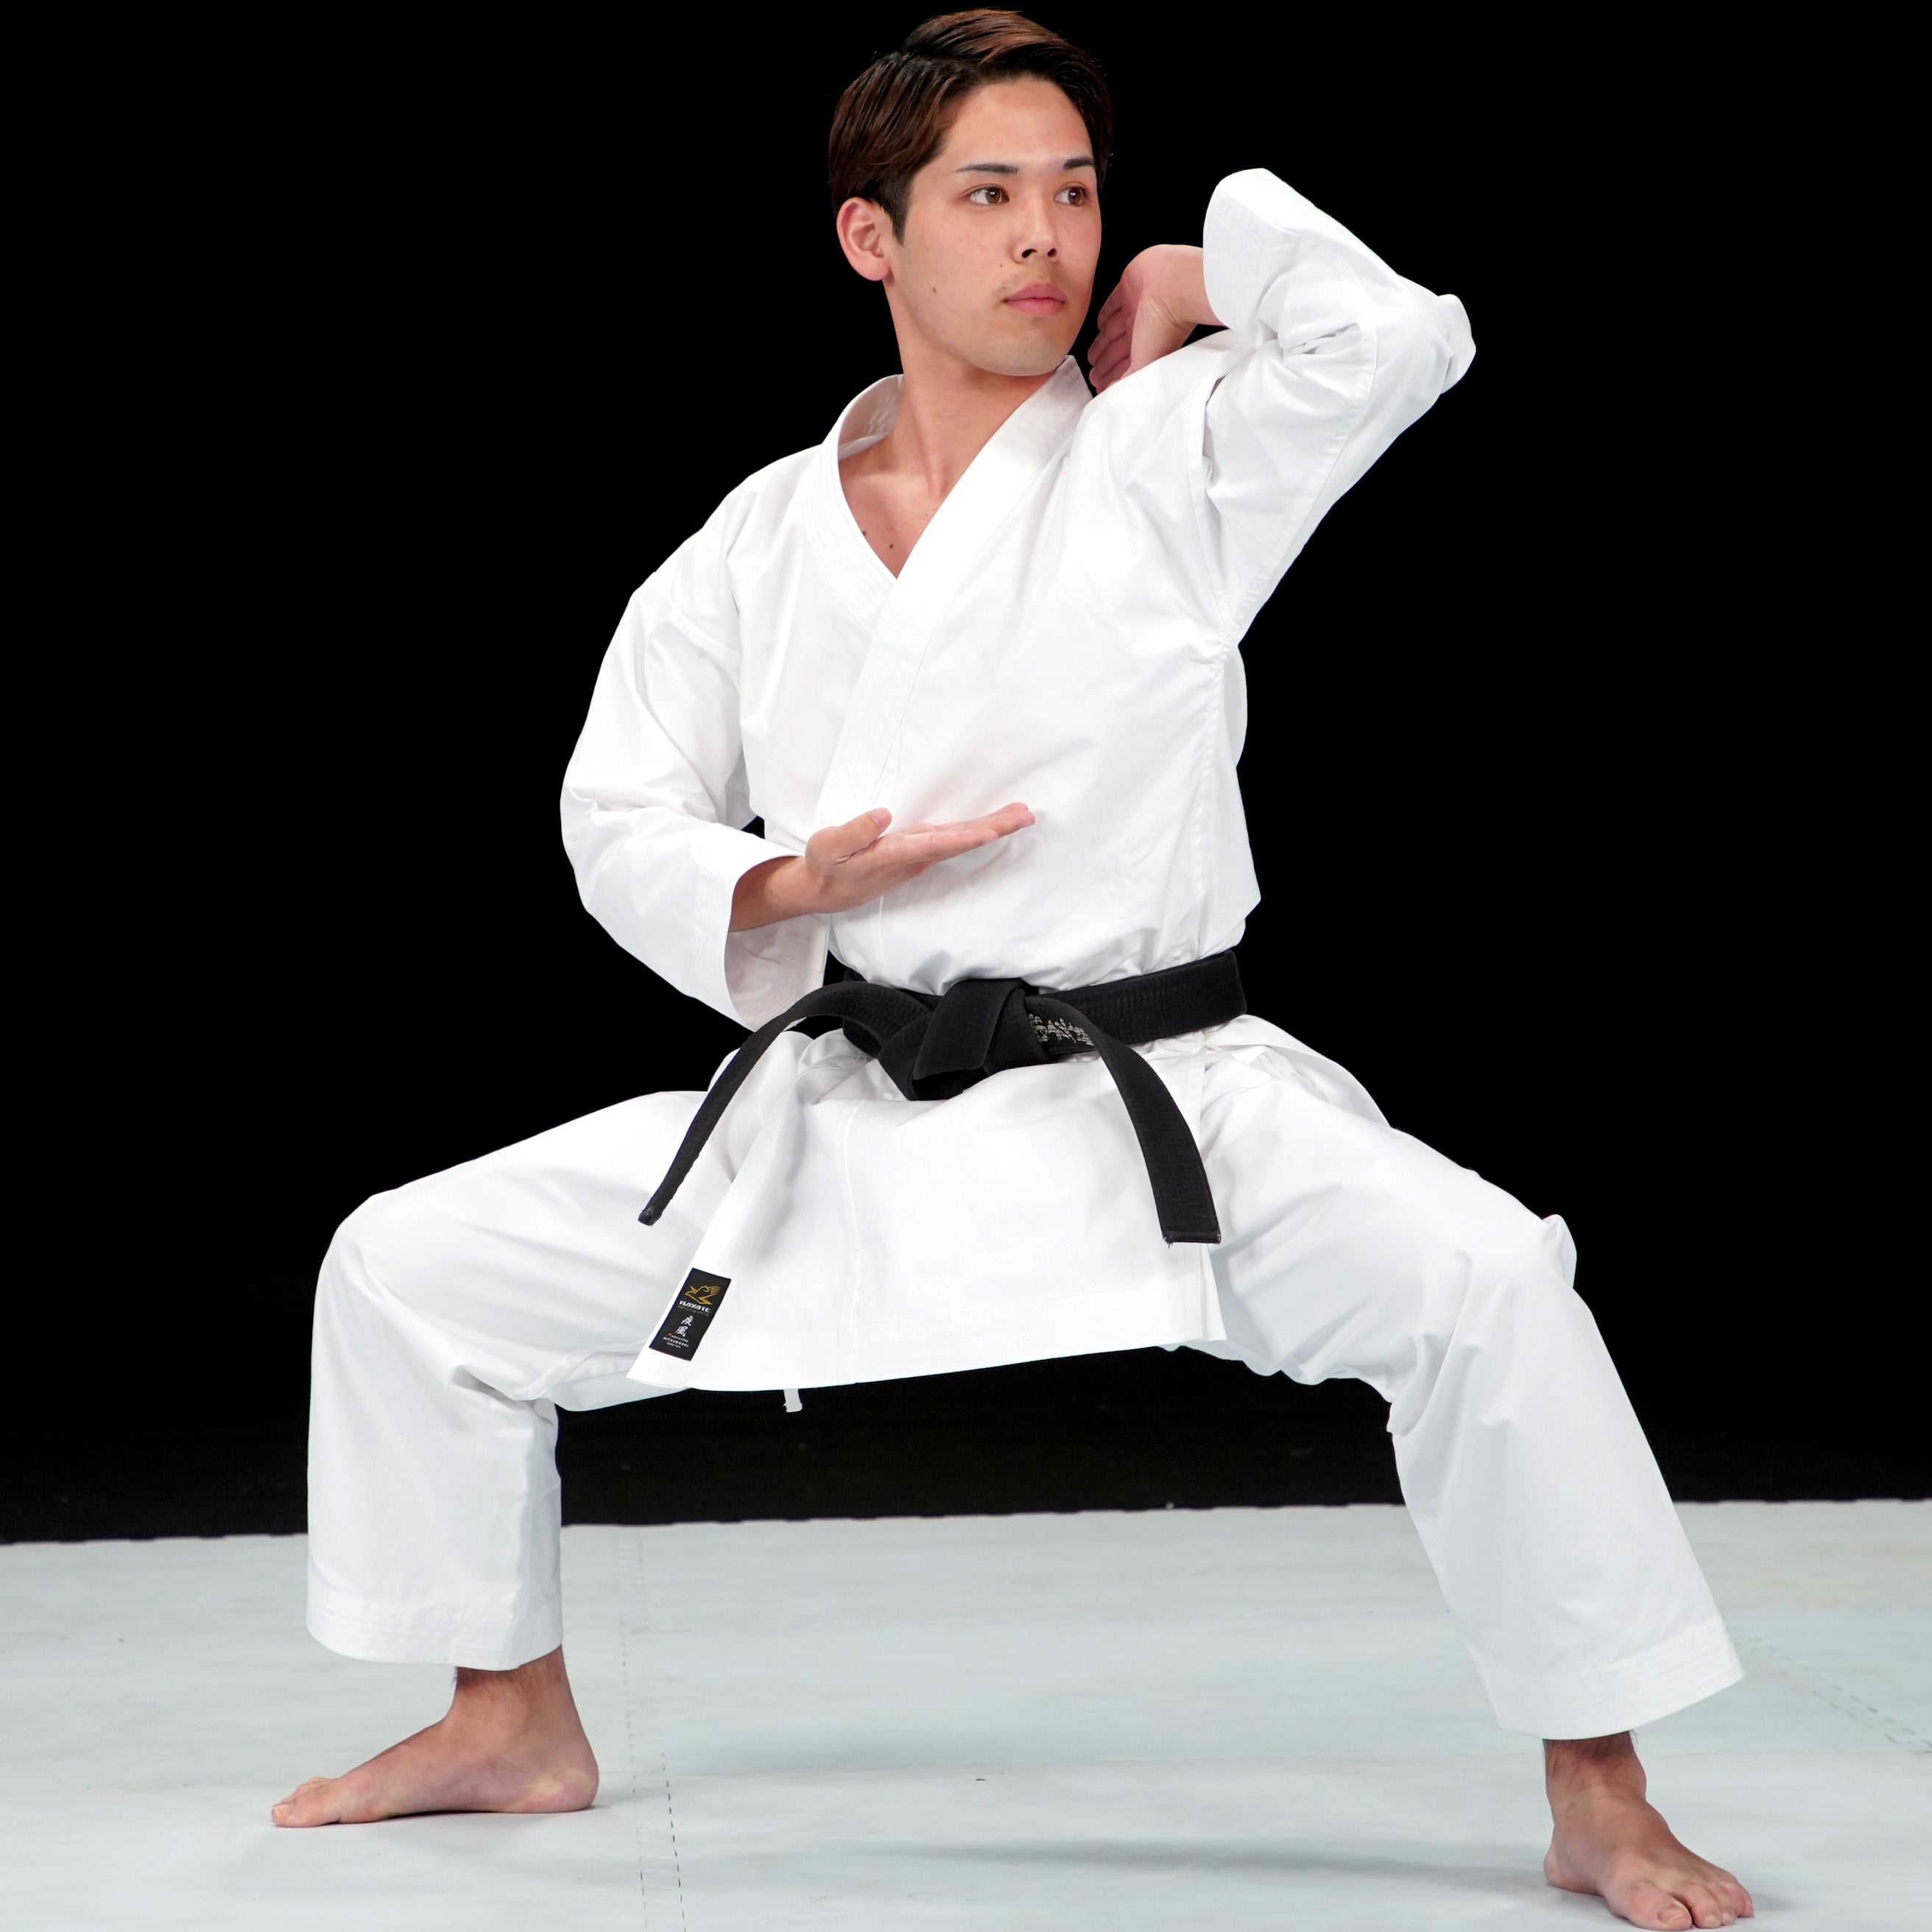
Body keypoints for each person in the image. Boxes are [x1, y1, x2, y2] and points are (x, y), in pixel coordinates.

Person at [275, 13, 1753, 1928]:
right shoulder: (753, 542)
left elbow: (1402, 339)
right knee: (406, 1264)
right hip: (844, 1116)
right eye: (989, 195)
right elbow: (617, 810)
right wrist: (783, 874)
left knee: (1486, 1279)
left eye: (1073, 193)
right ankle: (506, 1716)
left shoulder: (1168, 462)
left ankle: (1601, 1794)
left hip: (1160, 1113)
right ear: (871, 239)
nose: (1044, 235)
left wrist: (1197, 273)